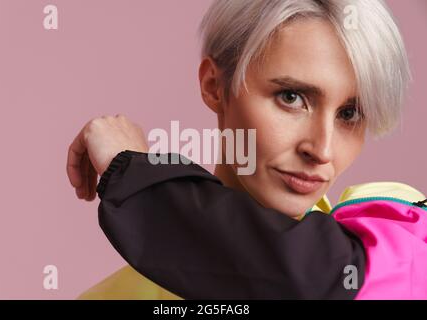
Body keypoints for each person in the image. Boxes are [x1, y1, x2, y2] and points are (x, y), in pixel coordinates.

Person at [67, 0, 426, 299]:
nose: (322, 149)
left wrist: (135, 172)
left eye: (350, 114)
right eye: (291, 97)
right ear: (214, 86)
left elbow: (306, 281)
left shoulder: (402, 223)